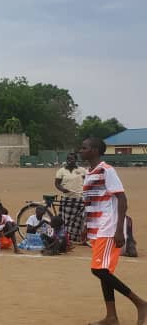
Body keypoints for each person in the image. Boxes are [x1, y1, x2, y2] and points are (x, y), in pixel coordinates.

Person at [80, 137, 147, 325]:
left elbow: (122, 200)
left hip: (108, 228)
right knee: (104, 272)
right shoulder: (88, 172)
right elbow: (91, 202)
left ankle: (140, 303)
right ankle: (111, 317)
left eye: (84, 148)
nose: (81, 150)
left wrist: (119, 230)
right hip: (96, 229)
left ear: (94, 150)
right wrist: (86, 226)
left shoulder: (107, 170)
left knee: (98, 270)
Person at [55, 152, 88, 245]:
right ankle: (65, 237)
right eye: (68, 159)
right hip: (66, 198)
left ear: (76, 160)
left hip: (79, 198)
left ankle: (74, 238)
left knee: (77, 220)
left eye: (72, 159)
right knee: (66, 220)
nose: (69, 161)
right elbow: (57, 184)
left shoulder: (82, 170)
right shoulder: (61, 171)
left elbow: (88, 181)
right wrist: (62, 189)